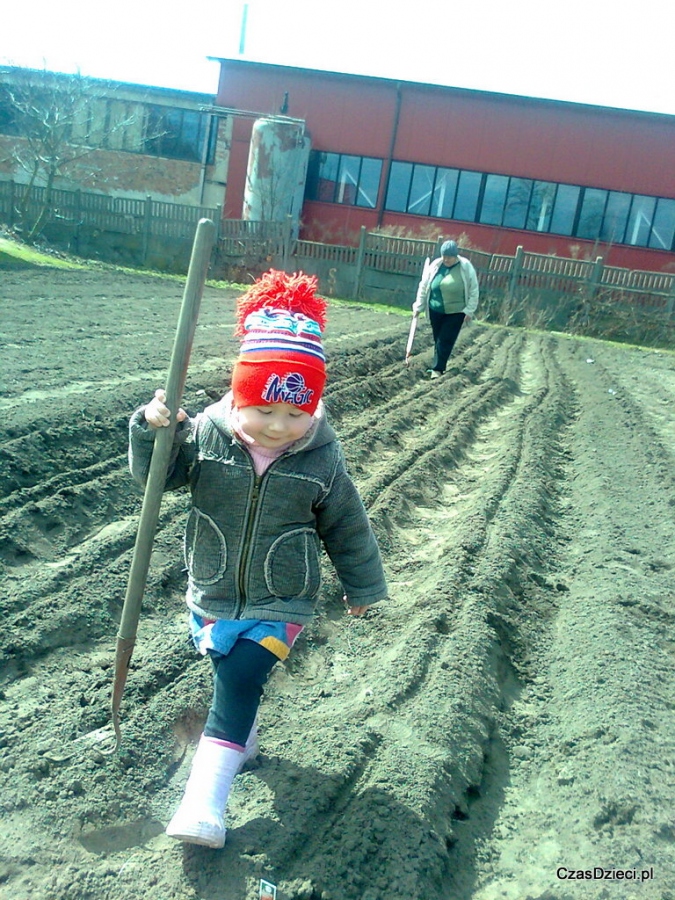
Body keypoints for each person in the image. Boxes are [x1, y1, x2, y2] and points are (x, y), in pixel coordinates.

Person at [128, 269, 388, 849]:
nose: (278, 427)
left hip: (282, 601)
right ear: (239, 394)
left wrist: (363, 587)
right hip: (215, 591)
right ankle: (240, 742)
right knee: (230, 676)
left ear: (313, 409)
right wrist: (153, 433)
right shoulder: (205, 438)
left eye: (296, 415)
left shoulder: (321, 460)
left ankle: (203, 804)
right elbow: (156, 480)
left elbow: (348, 525)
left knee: (243, 675)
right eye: (264, 410)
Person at [412, 239, 479, 378]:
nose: (446, 259)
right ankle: (438, 365)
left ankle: (437, 369)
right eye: (444, 256)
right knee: (438, 339)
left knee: (445, 339)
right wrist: (419, 305)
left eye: (449, 257)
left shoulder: (465, 267)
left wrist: (469, 310)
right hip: (435, 309)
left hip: (456, 311)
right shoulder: (436, 265)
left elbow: (473, 290)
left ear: (456, 256)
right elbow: (424, 286)